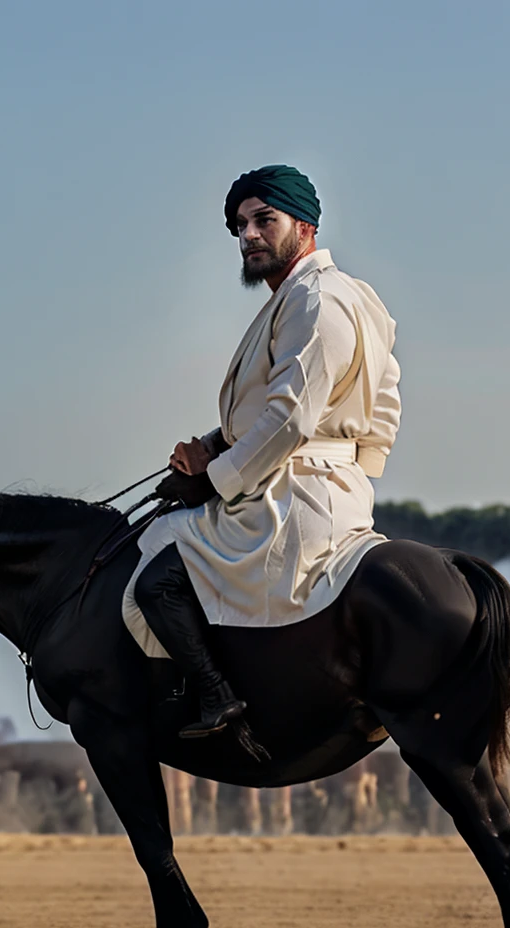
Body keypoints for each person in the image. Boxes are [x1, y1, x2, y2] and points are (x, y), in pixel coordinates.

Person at [123, 164, 401, 740]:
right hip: (309, 479)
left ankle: (217, 702)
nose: (248, 234)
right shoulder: (331, 297)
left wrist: (217, 478)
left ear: (305, 225)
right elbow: (382, 404)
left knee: (154, 581)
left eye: (263, 220)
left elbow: (290, 420)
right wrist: (209, 446)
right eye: (239, 226)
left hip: (292, 495)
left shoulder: (317, 300)